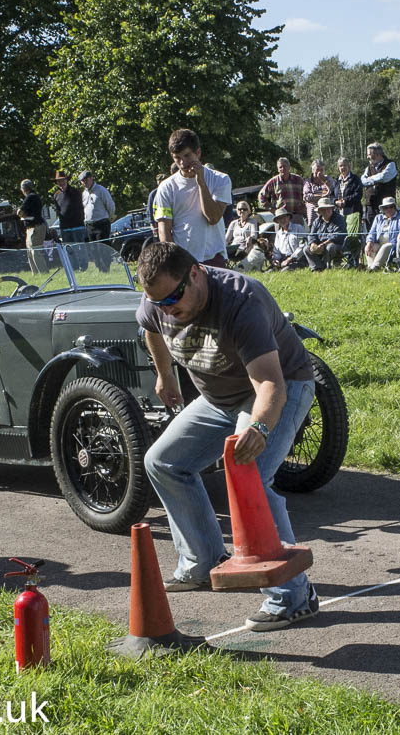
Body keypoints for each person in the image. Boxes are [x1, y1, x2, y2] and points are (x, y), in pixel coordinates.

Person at [136, 241, 319, 631]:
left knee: (249, 477)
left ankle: (293, 596)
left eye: (173, 298)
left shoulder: (240, 301)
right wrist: (165, 373)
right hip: (218, 398)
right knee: (163, 462)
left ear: (197, 273)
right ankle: (202, 563)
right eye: (159, 301)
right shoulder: (158, 301)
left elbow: (272, 383)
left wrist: (258, 427)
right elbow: (149, 326)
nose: (168, 308)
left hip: (280, 388)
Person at [154, 129, 232, 268]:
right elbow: (164, 230)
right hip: (183, 261)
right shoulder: (166, 187)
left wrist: (201, 183)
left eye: (187, 155)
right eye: (177, 157)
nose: (183, 162)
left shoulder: (221, 179)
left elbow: (213, 218)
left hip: (214, 258)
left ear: (198, 153)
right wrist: (174, 261)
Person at [80, 171, 117, 271]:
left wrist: (110, 216)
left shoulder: (101, 190)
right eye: (82, 181)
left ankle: (106, 268)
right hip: (89, 225)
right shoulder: (84, 194)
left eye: (86, 179)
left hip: (101, 223)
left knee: (103, 248)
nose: (84, 182)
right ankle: (99, 267)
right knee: (93, 249)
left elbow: (110, 205)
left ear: (91, 178)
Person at [364, 196, 400, 272]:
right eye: (386, 207)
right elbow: (372, 232)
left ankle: (375, 266)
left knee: (386, 246)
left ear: (395, 207)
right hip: (378, 242)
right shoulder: (378, 218)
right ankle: (370, 267)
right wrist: (369, 242)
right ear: (383, 209)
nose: (389, 209)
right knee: (369, 247)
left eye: (391, 207)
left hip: (393, 242)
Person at [359, 142, 397, 233]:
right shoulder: (368, 168)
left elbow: (384, 177)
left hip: (386, 205)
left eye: (369, 154)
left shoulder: (390, 164)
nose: (368, 157)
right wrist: (373, 180)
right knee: (371, 231)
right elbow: (362, 181)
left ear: (378, 154)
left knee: (386, 230)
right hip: (370, 205)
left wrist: (369, 180)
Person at [257, 157, 305, 223]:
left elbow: (306, 194)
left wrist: (303, 208)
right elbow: (261, 196)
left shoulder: (298, 179)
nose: (283, 169)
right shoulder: (273, 182)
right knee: (280, 233)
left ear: (289, 167)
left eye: (285, 166)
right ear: (278, 169)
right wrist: (272, 209)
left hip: (296, 216)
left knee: (299, 232)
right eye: (280, 167)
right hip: (280, 217)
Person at [304, 198, 346, 271]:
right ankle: (317, 267)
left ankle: (327, 267)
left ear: (332, 209)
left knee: (329, 247)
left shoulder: (339, 219)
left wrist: (323, 244)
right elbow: (311, 234)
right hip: (319, 245)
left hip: (337, 245)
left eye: (328, 209)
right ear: (319, 211)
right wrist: (313, 243)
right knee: (306, 249)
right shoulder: (316, 221)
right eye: (323, 209)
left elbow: (337, 236)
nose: (326, 211)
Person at [18, 179, 48, 274]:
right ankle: (35, 274)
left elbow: (19, 212)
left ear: (23, 189)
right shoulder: (34, 196)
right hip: (33, 227)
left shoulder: (30, 197)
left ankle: (43, 273)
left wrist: (22, 215)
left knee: (35, 251)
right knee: (30, 252)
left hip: (36, 227)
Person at [53, 171, 86, 244]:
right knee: (69, 252)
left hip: (77, 227)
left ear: (66, 180)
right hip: (65, 228)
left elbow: (81, 208)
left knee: (80, 250)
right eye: (58, 181)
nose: (61, 183)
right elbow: (59, 211)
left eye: (62, 180)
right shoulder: (56, 195)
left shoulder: (75, 192)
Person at [302, 160, 334, 227]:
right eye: (317, 169)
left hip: (326, 206)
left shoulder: (328, 178)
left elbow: (332, 191)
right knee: (312, 212)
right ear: (313, 170)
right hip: (313, 208)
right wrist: (322, 196)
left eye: (321, 170)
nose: (319, 172)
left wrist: (324, 180)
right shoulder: (308, 182)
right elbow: (307, 197)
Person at [331, 155, 363, 222]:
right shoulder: (336, 181)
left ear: (349, 166)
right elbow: (331, 196)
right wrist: (335, 201)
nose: (343, 167)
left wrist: (345, 201)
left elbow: (358, 194)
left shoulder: (355, 179)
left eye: (345, 165)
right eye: (341, 166)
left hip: (353, 213)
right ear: (338, 168)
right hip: (338, 214)